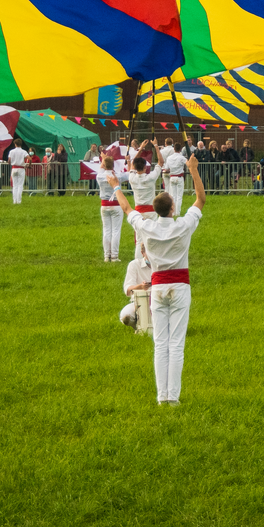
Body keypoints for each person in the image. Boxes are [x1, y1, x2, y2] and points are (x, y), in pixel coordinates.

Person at [118, 153, 205, 406]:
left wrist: (116, 187)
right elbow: (201, 199)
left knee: (160, 344)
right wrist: (193, 170)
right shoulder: (183, 225)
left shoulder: (146, 226)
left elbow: (127, 208)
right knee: (175, 344)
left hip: (158, 288)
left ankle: (162, 397)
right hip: (178, 286)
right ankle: (172, 398)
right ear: (173, 208)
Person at [126, 144, 163, 258]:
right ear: (145, 167)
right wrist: (156, 147)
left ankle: (139, 261)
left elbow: (132, 164)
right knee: (152, 236)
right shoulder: (150, 177)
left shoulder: (132, 178)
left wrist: (140, 149)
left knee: (139, 239)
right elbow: (160, 162)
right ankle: (152, 257)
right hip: (151, 211)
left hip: (139, 211)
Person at [98, 155, 124, 262]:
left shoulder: (99, 176)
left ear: (104, 165)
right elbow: (129, 173)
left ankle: (106, 255)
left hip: (104, 205)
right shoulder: (118, 176)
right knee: (116, 231)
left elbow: (100, 168)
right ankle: (114, 256)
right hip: (116, 204)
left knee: (106, 230)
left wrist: (103, 159)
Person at [7, 139, 28, 204]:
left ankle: (14, 200)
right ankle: (19, 201)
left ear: (15, 144)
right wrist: (28, 165)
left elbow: (9, 160)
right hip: (21, 168)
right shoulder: (24, 151)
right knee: (20, 185)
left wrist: (10, 163)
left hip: (14, 168)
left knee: (15, 185)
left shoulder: (11, 151)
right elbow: (29, 158)